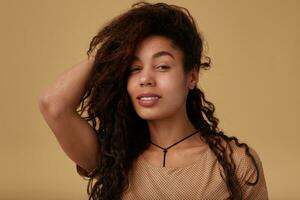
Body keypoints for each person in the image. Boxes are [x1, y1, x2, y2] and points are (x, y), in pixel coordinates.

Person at [38, 1, 268, 200]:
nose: (145, 78)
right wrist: (112, 48)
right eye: (134, 68)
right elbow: (53, 105)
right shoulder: (114, 157)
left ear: (192, 76)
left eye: (162, 66)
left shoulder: (237, 163)